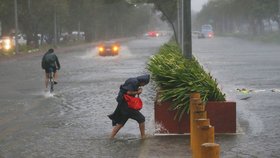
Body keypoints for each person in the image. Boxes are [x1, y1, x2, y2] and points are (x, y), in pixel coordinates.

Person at [108, 74, 150, 139]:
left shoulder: (133, 80)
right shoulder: (134, 82)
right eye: (144, 84)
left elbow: (127, 89)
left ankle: (111, 137)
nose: (144, 85)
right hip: (127, 105)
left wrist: (138, 89)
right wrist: (138, 92)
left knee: (121, 122)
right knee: (141, 119)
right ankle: (143, 137)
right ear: (143, 81)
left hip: (123, 104)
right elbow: (129, 92)